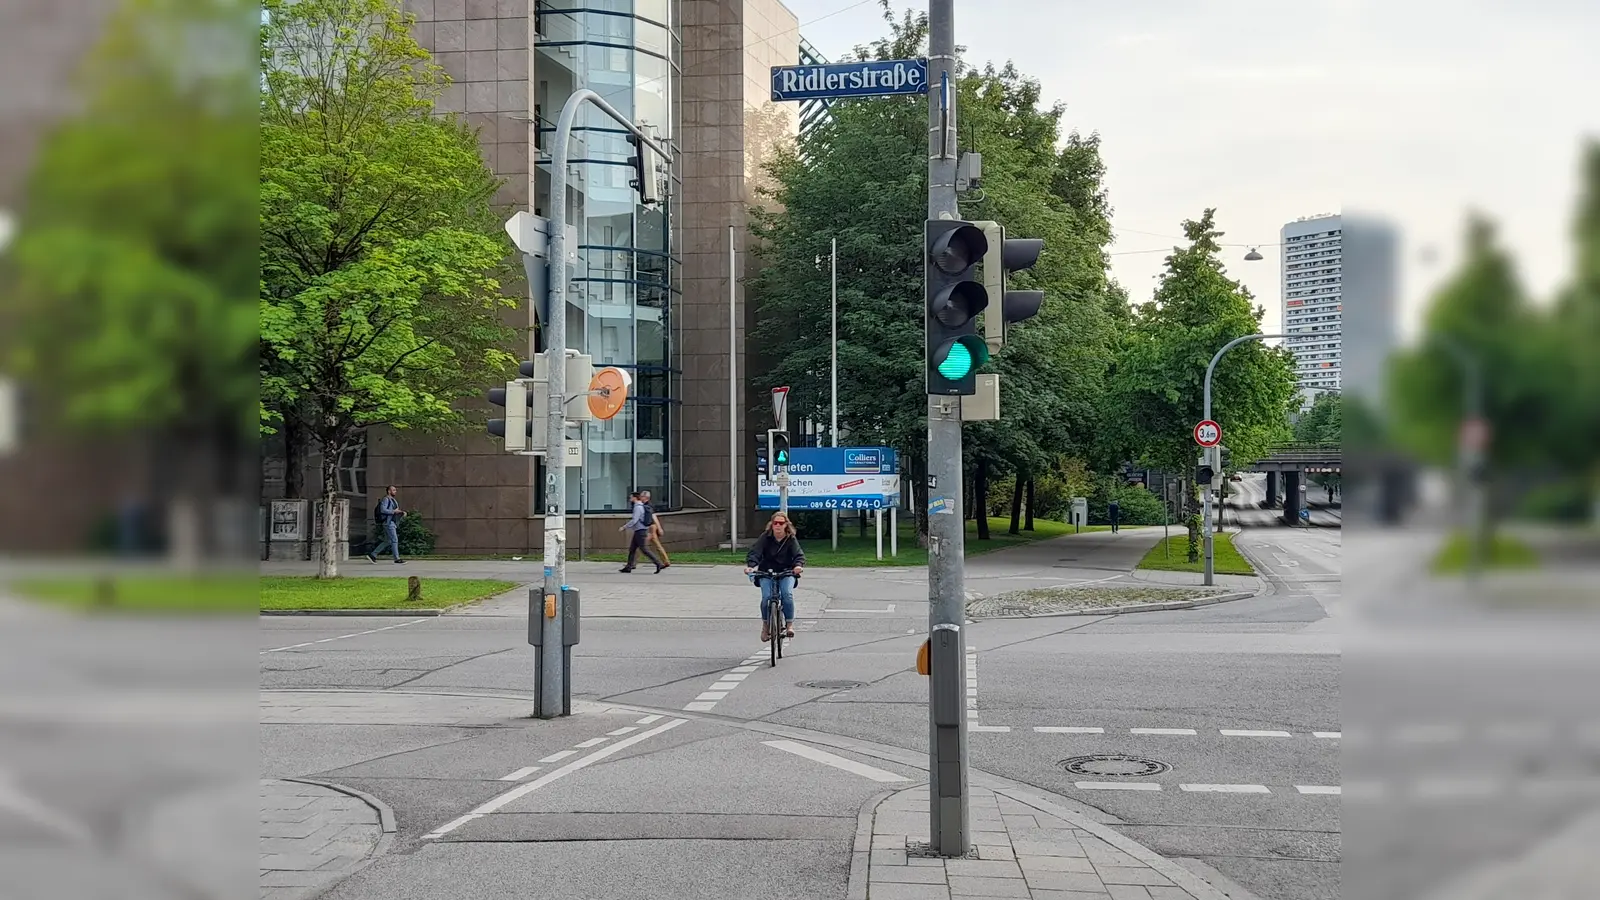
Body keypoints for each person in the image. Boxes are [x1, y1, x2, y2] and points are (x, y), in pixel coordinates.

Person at [743, 513, 805, 643]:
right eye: (775, 523)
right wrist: (751, 567)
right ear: (771, 524)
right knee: (766, 598)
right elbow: (755, 553)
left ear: (786, 525)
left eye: (781, 523)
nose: (778, 525)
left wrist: (798, 566)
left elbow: (798, 555)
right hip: (766, 572)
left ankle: (789, 625)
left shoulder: (790, 539)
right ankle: (766, 626)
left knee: (787, 594)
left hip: (786, 572)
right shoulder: (765, 537)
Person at [618, 490, 664, 574]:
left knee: (644, 549)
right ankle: (628, 567)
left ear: (635, 498)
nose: (630, 498)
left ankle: (658, 563)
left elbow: (634, 520)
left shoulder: (638, 507)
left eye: (631, 497)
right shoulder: (640, 506)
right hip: (638, 531)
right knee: (632, 549)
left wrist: (624, 527)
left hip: (640, 531)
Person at [367, 485, 407, 564]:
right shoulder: (386, 499)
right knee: (394, 540)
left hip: (391, 522)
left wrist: (401, 512)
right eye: (393, 490)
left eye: (395, 490)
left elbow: (395, 510)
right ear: (389, 491)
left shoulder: (393, 500)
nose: (395, 491)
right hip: (388, 523)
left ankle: (373, 554)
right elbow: (383, 510)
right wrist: (394, 511)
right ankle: (397, 558)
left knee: (388, 541)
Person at [640, 489, 670, 568]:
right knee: (655, 545)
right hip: (651, 527)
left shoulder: (647, 506)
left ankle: (632, 563)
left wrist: (659, 528)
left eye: (642, 496)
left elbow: (654, 517)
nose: (640, 497)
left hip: (650, 527)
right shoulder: (646, 505)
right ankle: (666, 561)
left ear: (646, 497)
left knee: (640, 544)